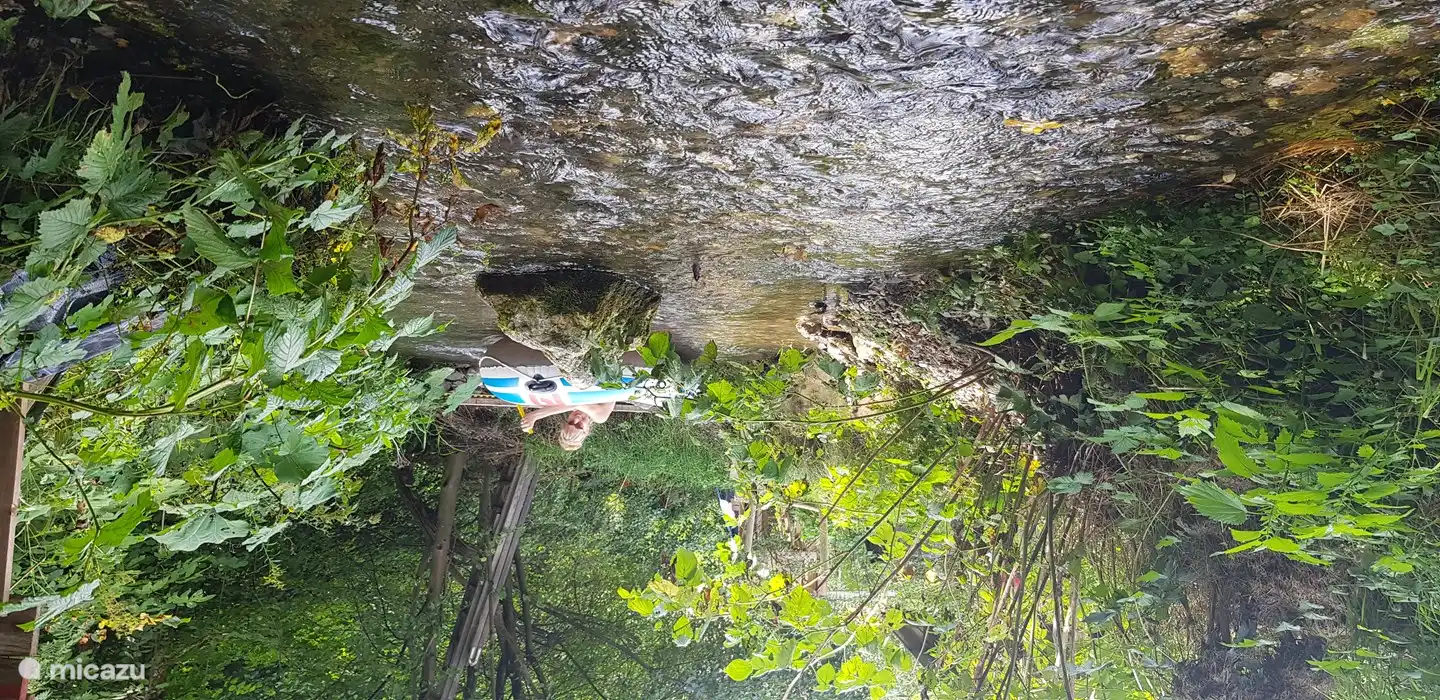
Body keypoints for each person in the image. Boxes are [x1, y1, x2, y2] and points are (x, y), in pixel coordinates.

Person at [518, 402, 616, 451]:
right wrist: (534, 416)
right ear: (587, 430)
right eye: (579, 426)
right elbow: (575, 404)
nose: (576, 419)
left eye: (571, 422)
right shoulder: (600, 417)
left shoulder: (567, 405)